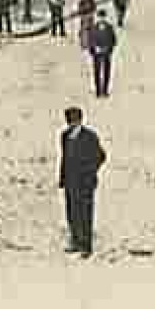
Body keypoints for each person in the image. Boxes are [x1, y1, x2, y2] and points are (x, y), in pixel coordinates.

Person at [58, 106, 106, 258]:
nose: (71, 124)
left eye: (74, 121)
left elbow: (101, 156)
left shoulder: (90, 136)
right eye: (69, 121)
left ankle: (86, 246)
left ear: (80, 120)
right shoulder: (65, 135)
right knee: (72, 212)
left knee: (85, 214)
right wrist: (62, 178)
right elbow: (64, 158)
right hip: (70, 181)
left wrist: (89, 172)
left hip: (85, 183)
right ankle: (75, 240)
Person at [88, 9, 118, 97]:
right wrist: (94, 48)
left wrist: (108, 49)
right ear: (98, 18)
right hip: (97, 54)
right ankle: (98, 91)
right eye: (100, 17)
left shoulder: (109, 27)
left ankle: (105, 90)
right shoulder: (93, 28)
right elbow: (91, 40)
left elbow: (113, 40)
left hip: (106, 53)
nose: (102, 19)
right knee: (97, 72)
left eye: (103, 17)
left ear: (105, 18)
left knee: (106, 72)